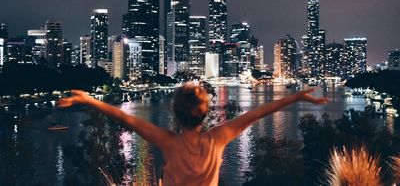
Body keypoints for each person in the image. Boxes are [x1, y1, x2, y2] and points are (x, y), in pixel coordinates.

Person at [57, 82, 328, 186]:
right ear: (205, 112)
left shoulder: (168, 142)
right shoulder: (218, 138)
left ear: (175, 112)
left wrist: (89, 100)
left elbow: (123, 117)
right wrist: (296, 97)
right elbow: (259, 113)